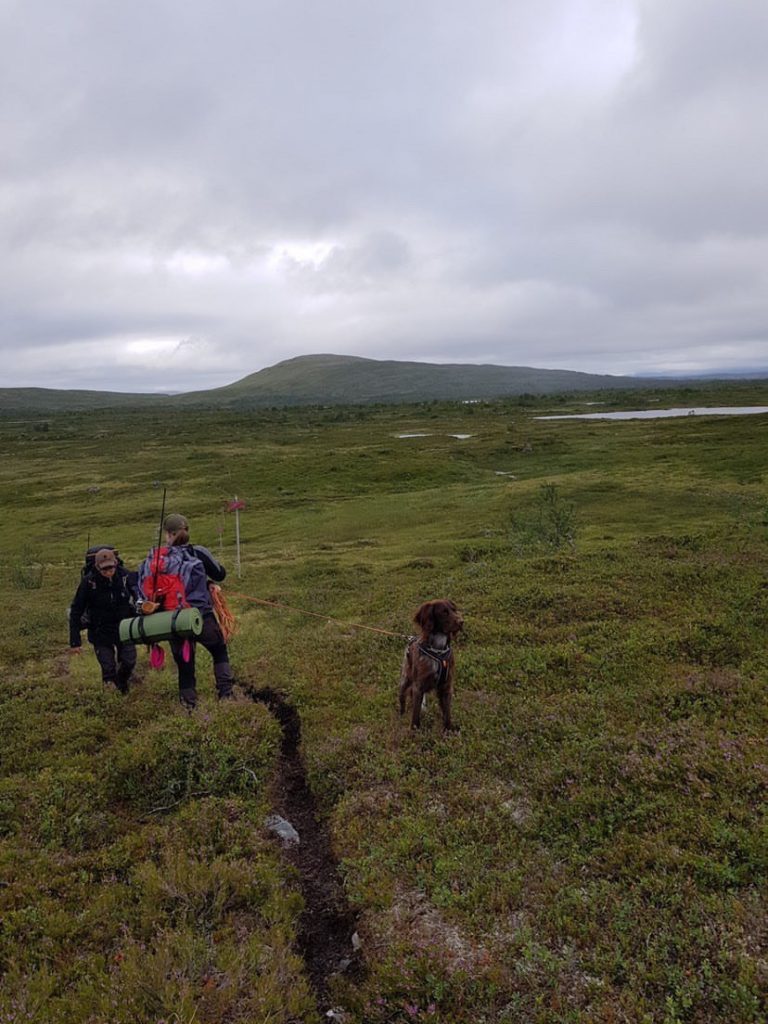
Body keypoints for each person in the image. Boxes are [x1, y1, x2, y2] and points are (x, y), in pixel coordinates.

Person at [139, 513, 235, 709]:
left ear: (167, 534)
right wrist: (207, 581)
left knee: (185, 665)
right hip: (201, 615)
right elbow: (220, 573)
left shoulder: (156, 559)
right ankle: (226, 695)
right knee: (218, 650)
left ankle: (189, 706)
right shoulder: (198, 552)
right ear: (187, 531)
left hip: (173, 618)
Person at [68, 547, 138, 693]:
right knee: (108, 668)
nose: (108, 572)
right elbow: (76, 610)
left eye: (111, 568)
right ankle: (112, 695)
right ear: (97, 567)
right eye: (104, 569)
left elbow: (139, 596)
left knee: (129, 662)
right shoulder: (88, 583)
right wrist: (75, 641)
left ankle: (122, 686)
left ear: (116, 563)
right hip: (100, 631)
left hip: (125, 628)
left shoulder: (126, 576)